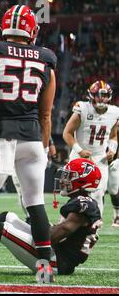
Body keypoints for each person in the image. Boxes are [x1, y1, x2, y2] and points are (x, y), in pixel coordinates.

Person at [0, 5, 57, 284]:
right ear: (31, 30)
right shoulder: (47, 59)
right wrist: (42, 147)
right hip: (31, 137)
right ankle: (44, 267)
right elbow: (46, 114)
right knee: (35, 203)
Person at [63, 81, 118, 218]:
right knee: (75, 192)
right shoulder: (82, 108)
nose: (102, 98)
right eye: (99, 95)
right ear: (91, 96)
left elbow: (113, 135)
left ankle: (93, 228)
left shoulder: (114, 112)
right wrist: (80, 150)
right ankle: (68, 221)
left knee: (99, 193)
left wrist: (111, 149)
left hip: (100, 157)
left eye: (105, 95)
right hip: (79, 156)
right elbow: (67, 133)